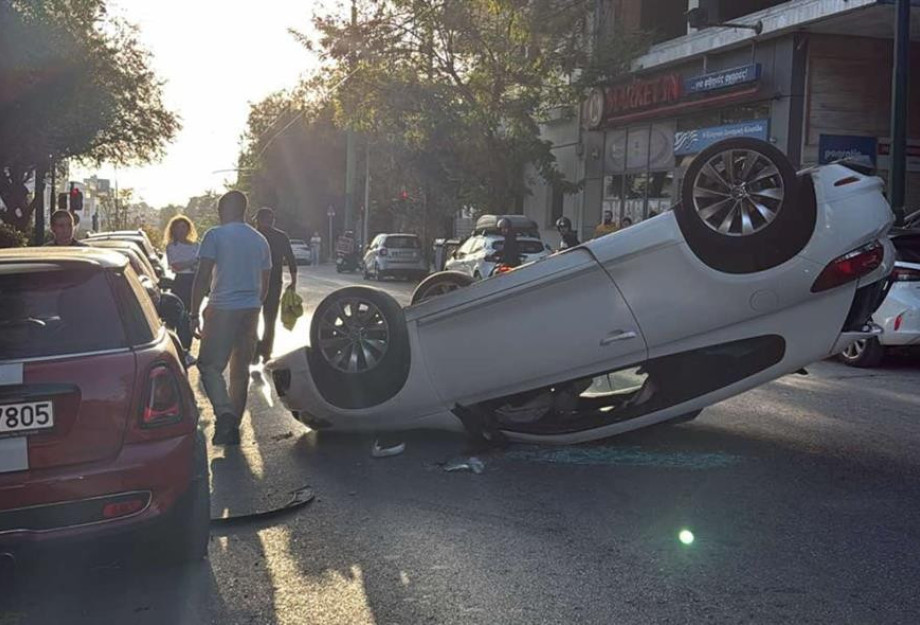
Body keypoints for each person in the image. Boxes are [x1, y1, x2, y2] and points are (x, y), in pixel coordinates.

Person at [190, 191, 271, 446]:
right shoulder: (260, 240)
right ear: (244, 210)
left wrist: (194, 313)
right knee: (240, 371)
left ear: (222, 210)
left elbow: (203, 277)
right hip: (251, 309)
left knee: (209, 366)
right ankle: (232, 428)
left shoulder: (214, 235)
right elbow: (265, 281)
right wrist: (255, 304)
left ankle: (224, 413)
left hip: (223, 308)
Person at [254, 207, 297, 363]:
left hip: (253, 283)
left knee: (252, 317)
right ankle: (266, 350)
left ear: (257, 220)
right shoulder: (281, 236)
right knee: (269, 318)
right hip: (273, 283)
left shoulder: (253, 236)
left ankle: (255, 349)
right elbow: (291, 259)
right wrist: (293, 282)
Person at [164, 215, 199, 313]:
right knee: (181, 310)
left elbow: (202, 263)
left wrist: (193, 264)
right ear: (173, 230)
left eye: (183, 227)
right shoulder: (171, 247)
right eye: (178, 227)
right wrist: (193, 262)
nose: (181, 230)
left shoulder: (196, 246)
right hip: (181, 282)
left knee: (193, 310)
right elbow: (176, 266)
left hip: (195, 280)